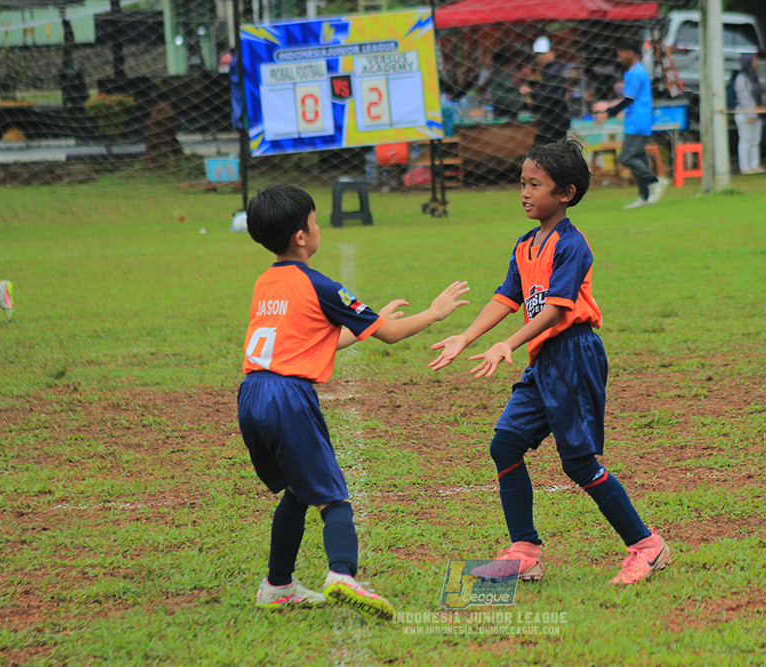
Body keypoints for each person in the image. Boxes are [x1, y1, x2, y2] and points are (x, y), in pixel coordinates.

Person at [429, 140, 673, 586]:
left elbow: (558, 310)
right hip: (544, 359)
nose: (524, 192)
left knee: (578, 463)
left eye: (535, 185)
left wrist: (510, 344)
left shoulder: (572, 245)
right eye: (522, 183)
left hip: (574, 355)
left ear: (565, 193)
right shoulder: (526, 244)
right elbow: (507, 297)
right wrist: (466, 337)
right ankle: (524, 550)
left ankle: (646, 545)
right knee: (505, 445)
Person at [238, 184, 469, 617]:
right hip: (289, 397)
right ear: (302, 236)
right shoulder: (320, 285)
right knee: (334, 498)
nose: (318, 226)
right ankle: (342, 574)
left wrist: (366, 322)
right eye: (316, 220)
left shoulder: (265, 282)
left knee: (297, 490)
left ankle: (278, 584)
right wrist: (435, 312)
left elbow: (304, 343)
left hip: (252, 393)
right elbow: (392, 334)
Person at [591, 39, 668, 209]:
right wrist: (608, 107)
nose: (618, 58)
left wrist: (607, 113)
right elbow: (627, 98)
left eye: (620, 54)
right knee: (638, 157)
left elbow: (628, 100)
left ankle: (655, 181)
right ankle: (644, 196)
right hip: (633, 120)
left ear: (630, 53)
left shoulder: (638, 73)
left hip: (639, 121)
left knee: (626, 157)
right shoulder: (630, 73)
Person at [520, 36, 571, 146]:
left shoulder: (553, 71)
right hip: (554, 120)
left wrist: (531, 94)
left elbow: (548, 95)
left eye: (543, 54)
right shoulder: (549, 70)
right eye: (537, 55)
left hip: (555, 121)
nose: (540, 57)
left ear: (551, 53)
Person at [733, 53, 765, 174]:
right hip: (745, 113)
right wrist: (749, 114)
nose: (756, 63)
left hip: (757, 113)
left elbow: (760, 93)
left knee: (755, 140)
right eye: (754, 61)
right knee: (745, 140)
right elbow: (743, 97)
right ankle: (745, 167)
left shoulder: (754, 76)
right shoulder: (741, 78)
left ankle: (754, 164)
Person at [486, 50, 524, 120]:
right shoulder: (500, 72)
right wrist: (521, 75)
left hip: (504, 107)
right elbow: (509, 85)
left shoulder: (495, 72)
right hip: (505, 107)